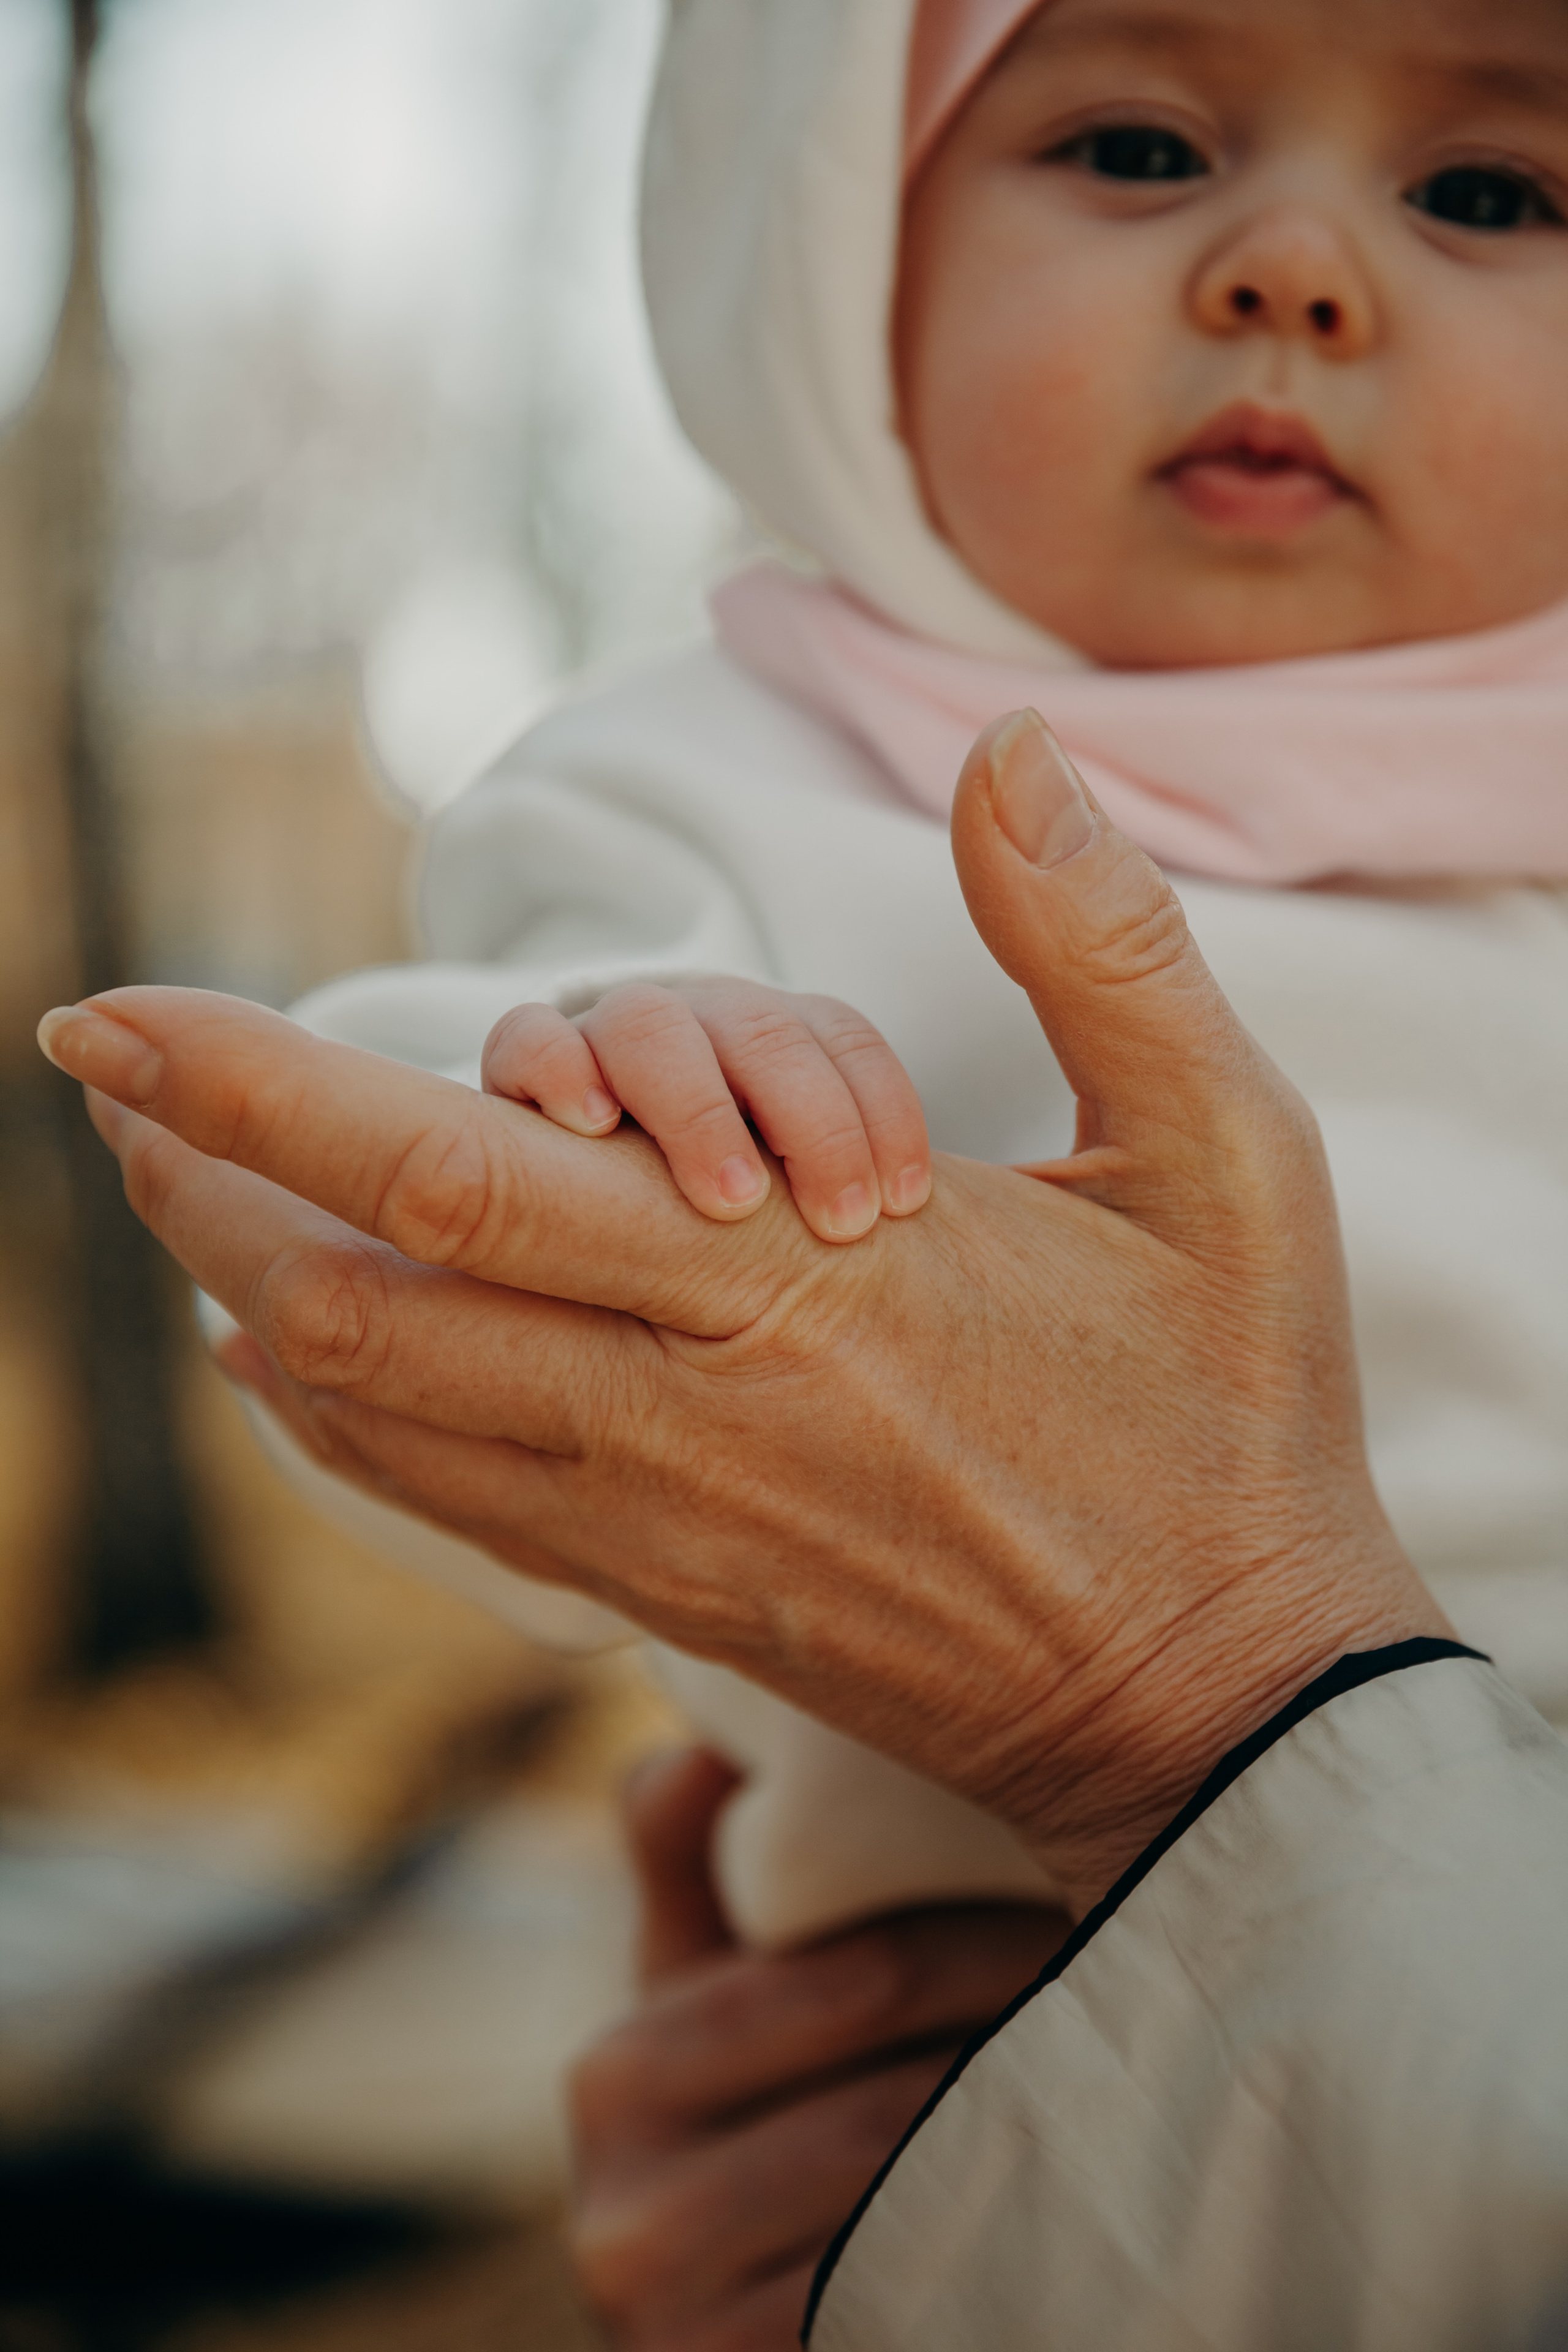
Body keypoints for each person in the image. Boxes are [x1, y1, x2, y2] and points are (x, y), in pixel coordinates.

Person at [204, 0, 1568, 1951]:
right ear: (840, 246)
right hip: (1016, 2044)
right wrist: (619, 1100)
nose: (1296, 272)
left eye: (1485, 189)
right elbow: (350, 1211)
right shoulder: (715, 783)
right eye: (1139, 150)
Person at [33, 734, 1568, 2347]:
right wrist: (625, 1100)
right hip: (930, 2157)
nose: (1335, 458)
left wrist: (1206, 1679)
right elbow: (397, 1275)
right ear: (853, 460)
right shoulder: (742, 769)